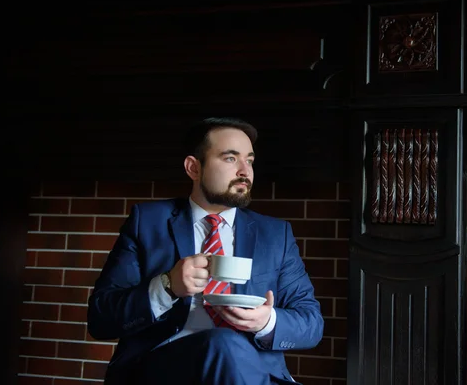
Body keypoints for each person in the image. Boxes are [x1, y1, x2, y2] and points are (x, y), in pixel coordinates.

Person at [87, 118, 324, 385]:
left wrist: (266, 321)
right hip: (165, 367)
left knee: (229, 347)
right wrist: (166, 287)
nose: (245, 171)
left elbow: (311, 323)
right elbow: (100, 318)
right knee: (221, 343)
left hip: (253, 370)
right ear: (193, 168)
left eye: (250, 160)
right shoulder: (148, 222)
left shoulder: (275, 234)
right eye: (230, 159)